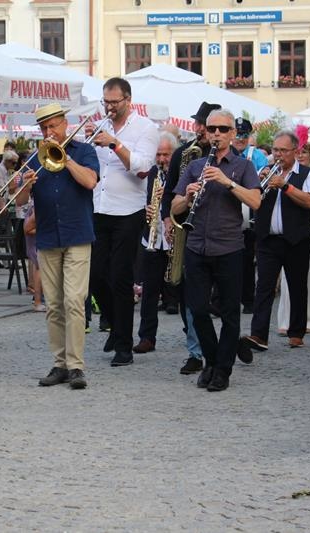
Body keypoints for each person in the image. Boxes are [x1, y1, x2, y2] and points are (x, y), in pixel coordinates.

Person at [171, 109, 261, 392]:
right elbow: (174, 207)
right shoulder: (195, 166)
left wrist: (227, 182)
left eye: (223, 129)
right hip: (197, 245)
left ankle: (223, 369)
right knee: (197, 310)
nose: (217, 134)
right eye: (212, 129)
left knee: (230, 312)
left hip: (229, 247)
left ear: (232, 133)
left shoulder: (243, 166)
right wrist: (187, 197)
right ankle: (211, 361)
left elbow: (255, 201)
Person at [16, 103, 99, 389]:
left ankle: (76, 366)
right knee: (54, 305)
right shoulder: (34, 158)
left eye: (53, 126)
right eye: (44, 127)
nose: (49, 131)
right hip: (48, 236)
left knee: (74, 301)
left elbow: (90, 182)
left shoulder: (84, 151)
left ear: (65, 124)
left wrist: (66, 159)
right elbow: (19, 202)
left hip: (77, 234)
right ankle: (59, 364)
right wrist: (25, 184)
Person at [85, 77, 159, 367]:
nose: (109, 107)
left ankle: (124, 346)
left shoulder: (146, 128)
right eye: (106, 102)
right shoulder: (100, 125)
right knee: (95, 274)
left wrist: (115, 143)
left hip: (128, 211)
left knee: (121, 277)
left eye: (114, 102)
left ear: (128, 100)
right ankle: (116, 326)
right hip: (99, 207)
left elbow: (142, 168)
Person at [240, 130, 310, 353]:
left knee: (297, 286)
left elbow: (309, 202)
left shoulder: (308, 174)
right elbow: (252, 200)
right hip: (268, 239)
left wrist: (284, 185)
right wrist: (258, 182)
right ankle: (258, 334)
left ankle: (296, 332)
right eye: (275, 150)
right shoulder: (264, 171)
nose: (278, 155)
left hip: (296, 239)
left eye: (283, 150)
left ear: (295, 151)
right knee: (264, 286)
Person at [161, 101, 220, 375]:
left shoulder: (229, 156)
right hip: (187, 227)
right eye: (199, 124)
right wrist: (167, 220)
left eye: (206, 125)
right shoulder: (183, 153)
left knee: (219, 296)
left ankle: (220, 348)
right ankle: (195, 351)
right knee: (189, 292)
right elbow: (169, 192)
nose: (200, 129)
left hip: (219, 232)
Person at [132, 131, 178, 354]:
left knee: (184, 289)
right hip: (153, 237)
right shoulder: (150, 173)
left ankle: (193, 336)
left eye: (166, 155)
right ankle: (147, 337)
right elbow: (137, 200)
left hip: (174, 238)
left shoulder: (181, 172)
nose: (161, 159)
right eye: (158, 154)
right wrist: (146, 209)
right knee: (149, 291)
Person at [231, 117, 268, 316]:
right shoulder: (227, 152)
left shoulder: (257, 156)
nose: (240, 139)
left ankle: (248, 299)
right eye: (237, 134)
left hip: (249, 209)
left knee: (246, 258)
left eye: (243, 135)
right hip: (229, 206)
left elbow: (265, 179)